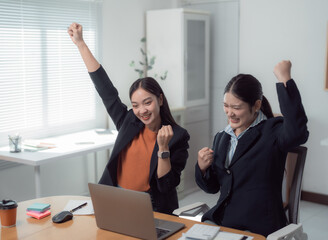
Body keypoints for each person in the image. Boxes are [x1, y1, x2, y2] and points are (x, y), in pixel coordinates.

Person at [68, 23, 190, 214]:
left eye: (147, 102)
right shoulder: (128, 121)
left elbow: (166, 186)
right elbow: (106, 90)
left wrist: (163, 148)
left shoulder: (178, 136)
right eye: (135, 105)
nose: (142, 110)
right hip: (114, 196)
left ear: (159, 99)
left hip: (150, 205)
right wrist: (81, 44)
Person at [195, 60, 309, 236]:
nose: (229, 113)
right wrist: (202, 168)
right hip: (222, 221)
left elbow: (298, 132)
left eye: (236, 107)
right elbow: (213, 188)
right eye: (226, 105)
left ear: (256, 105)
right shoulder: (222, 137)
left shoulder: (273, 130)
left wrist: (284, 79)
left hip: (257, 225)